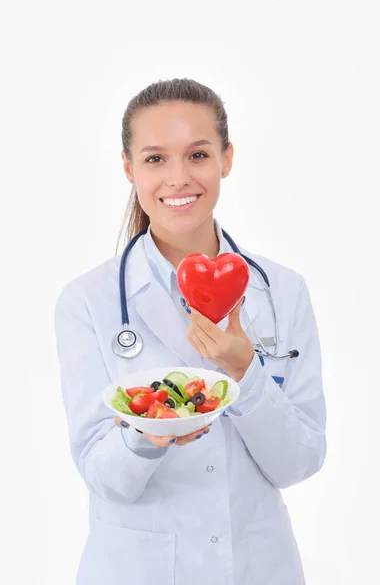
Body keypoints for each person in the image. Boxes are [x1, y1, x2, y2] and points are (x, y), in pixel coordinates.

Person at [54, 78, 327, 585]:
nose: (178, 178)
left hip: (257, 567)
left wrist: (246, 373)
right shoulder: (87, 303)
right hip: (137, 570)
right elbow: (103, 477)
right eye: (155, 159)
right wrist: (148, 434)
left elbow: (300, 462)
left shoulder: (283, 291)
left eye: (198, 154)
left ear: (226, 159)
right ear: (128, 167)